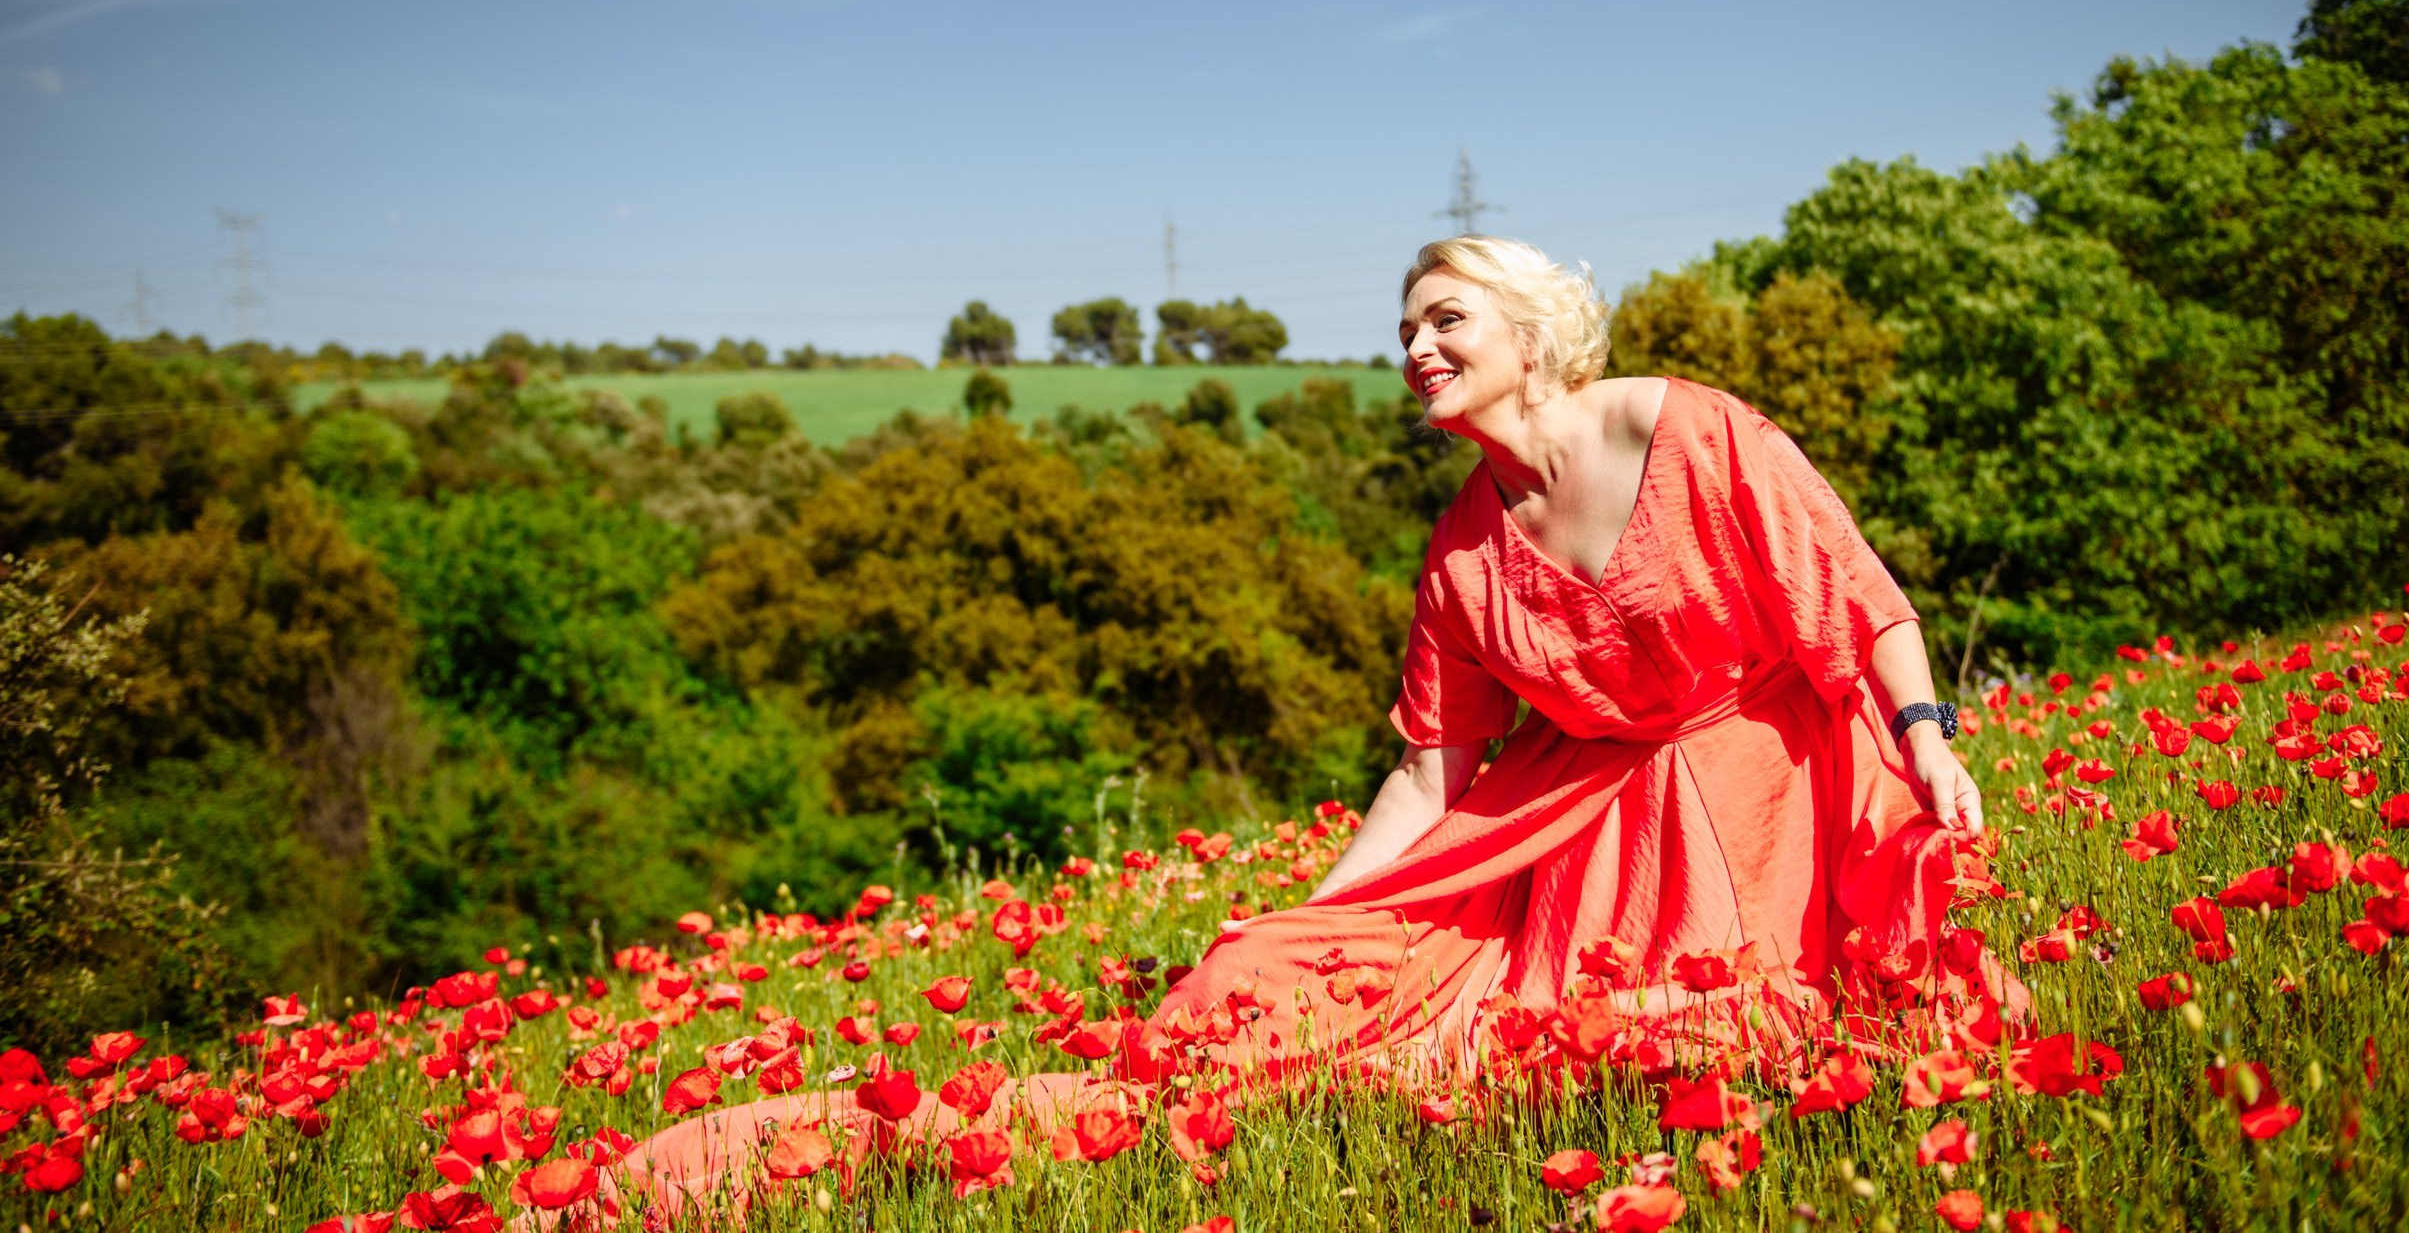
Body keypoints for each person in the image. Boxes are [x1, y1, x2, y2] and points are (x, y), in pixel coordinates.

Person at [606, 236, 2001, 1217]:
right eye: (1405, 330)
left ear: (1529, 329)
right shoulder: (1462, 553)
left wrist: (1926, 735)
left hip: (1775, 785)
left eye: (1446, 319)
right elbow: (1429, 768)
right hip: (1590, 827)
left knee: (1715, 1034)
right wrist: (1309, 915)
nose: (1417, 346)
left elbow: (1854, 591)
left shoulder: (1687, 429)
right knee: (1352, 1017)